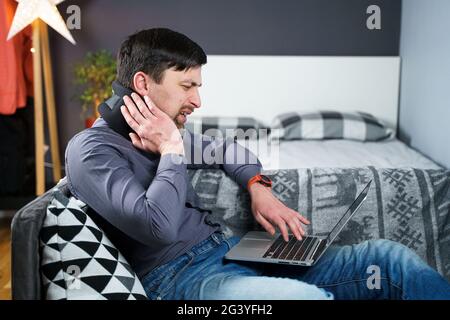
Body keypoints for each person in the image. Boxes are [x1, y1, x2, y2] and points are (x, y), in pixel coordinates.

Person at [65, 28, 450, 300]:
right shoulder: (91, 151)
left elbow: (233, 151)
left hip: (231, 249)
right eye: (188, 86)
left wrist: (258, 187)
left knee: (388, 258)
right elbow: (158, 226)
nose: (199, 102)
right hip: (179, 278)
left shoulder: (173, 134)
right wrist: (170, 149)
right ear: (143, 84)